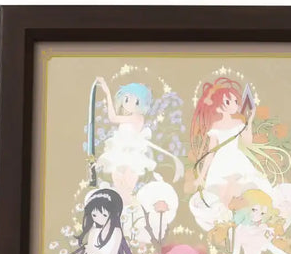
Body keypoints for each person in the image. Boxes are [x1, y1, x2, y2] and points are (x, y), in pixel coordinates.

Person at [95, 77, 183, 203]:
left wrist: (107, 93)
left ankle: (126, 203)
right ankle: (121, 204)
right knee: (118, 181)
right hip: (121, 152)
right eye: (126, 99)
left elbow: (113, 118)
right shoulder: (130, 116)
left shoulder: (137, 117)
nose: (129, 104)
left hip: (131, 154)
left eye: (135, 101)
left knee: (126, 185)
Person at [190, 77, 272, 207]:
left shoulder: (238, 123)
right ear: (218, 108)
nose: (234, 104)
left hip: (237, 158)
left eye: (235, 101)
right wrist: (201, 176)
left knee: (243, 192)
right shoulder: (215, 126)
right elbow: (211, 152)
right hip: (221, 162)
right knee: (222, 197)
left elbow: (248, 143)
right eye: (228, 102)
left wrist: (250, 121)